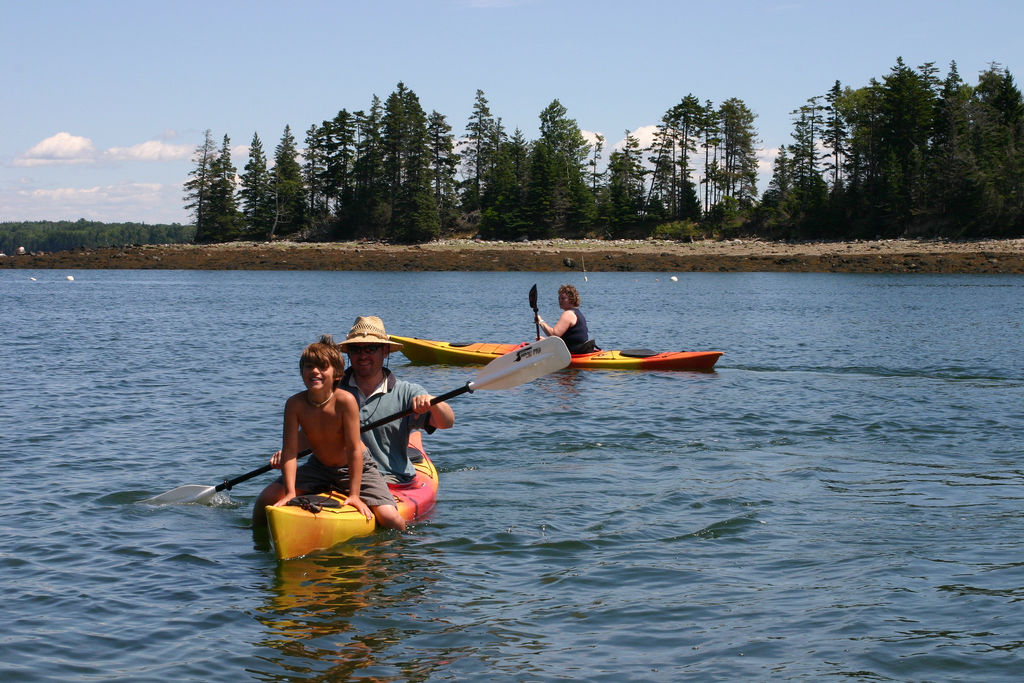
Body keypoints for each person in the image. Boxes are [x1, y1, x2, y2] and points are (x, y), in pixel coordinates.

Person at [252, 335, 406, 530]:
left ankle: (404, 550)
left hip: (356, 467)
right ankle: (260, 542)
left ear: (337, 374)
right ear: (301, 371)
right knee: (265, 499)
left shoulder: (345, 401)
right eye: (309, 367)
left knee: (391, 519)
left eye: (322, 367)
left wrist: (355, 496)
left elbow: (353, 451)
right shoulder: (294, 404)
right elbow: (290, 452)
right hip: (319, 467)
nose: (315, 371)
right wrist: (290, 492)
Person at [336, 315, 455, 483]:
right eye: (356, 349)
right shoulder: (333, 391)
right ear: (349, 352)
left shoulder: (407, 392)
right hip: (339, 478)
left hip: (390, 479)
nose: (362, 355)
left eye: (370, 348)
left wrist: (432, 402)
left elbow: (446, 422)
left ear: (384, 351)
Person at [536, 284, 594, 354]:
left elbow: (554, 334)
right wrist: (546, 341)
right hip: (577, 350)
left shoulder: (568, 314)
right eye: (559, 298)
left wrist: (540, 321)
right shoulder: (577, 313)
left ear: (572, 299)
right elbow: (569, 338)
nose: (560, 301)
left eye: (563, 298)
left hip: (575, 354)